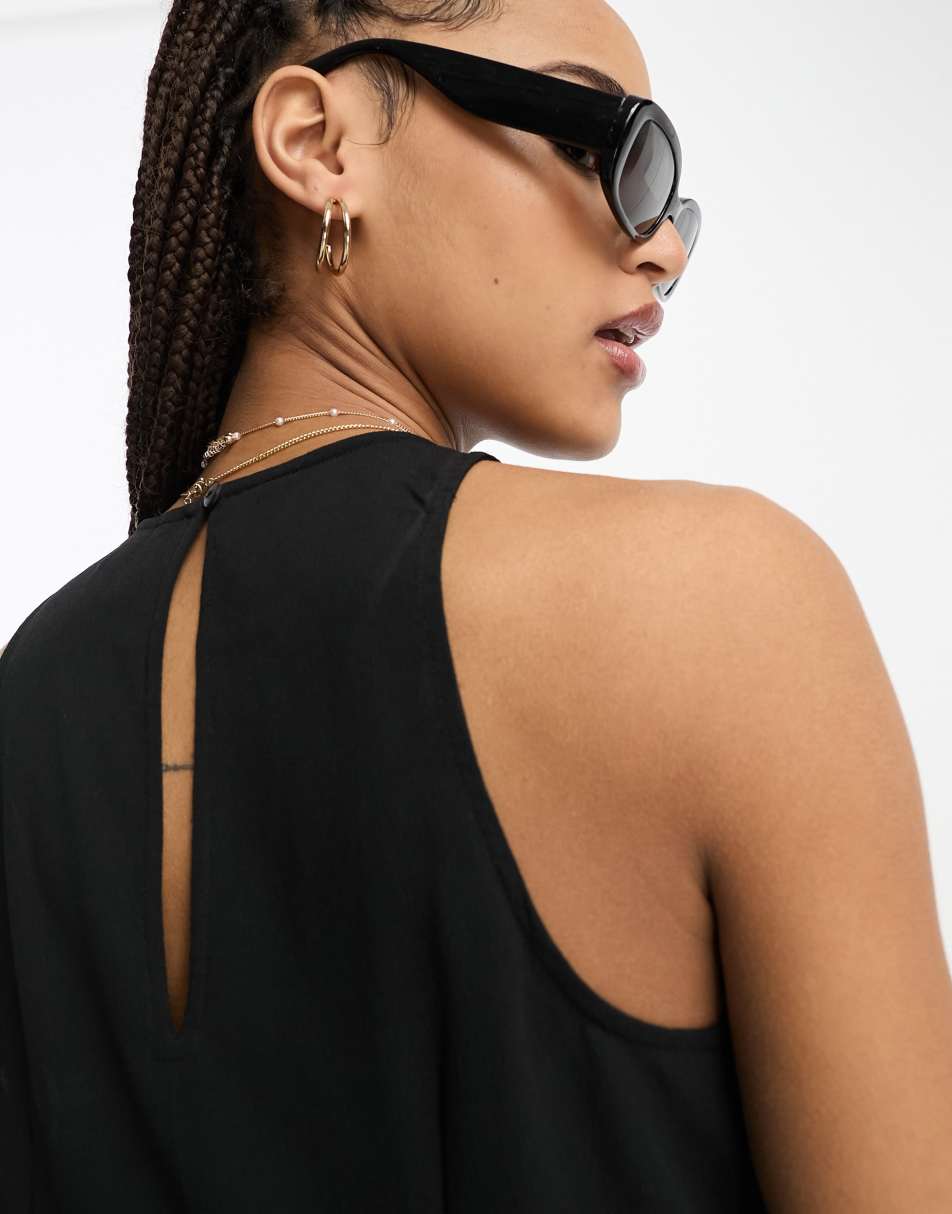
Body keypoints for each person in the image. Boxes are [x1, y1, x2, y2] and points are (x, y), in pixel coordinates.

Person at [1, 0, 950, 1208]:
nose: (662, 244)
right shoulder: (720, 601)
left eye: (668, 194)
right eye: (600, 144)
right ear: (317, 144)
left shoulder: (30, 688)